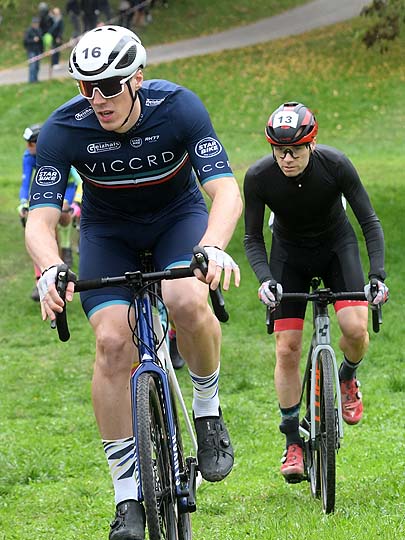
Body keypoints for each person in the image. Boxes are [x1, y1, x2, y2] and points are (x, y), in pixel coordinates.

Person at [25, 25, 242, 540]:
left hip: (177, 220)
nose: (97, 99)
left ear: (137, 79)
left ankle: (207, 410)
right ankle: (127, 499)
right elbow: (40, 220)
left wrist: (213, 245)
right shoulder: (64, 127)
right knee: (110, 343)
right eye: (86, 87)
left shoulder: (179, 108)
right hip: (108, 233)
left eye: (109, 86)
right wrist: (50, 265)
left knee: (185, 298)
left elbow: (226, 191)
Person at [243, 101, 388, 483]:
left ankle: (346, 376)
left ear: (312, 144)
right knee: (287, 348)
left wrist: (377, 275)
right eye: (279, 150)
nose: (286, 158)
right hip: (289, 255)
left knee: (355, 329)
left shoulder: (335, 165)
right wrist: (265, 279)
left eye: (294, 150)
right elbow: (252, 237)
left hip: (336, 248)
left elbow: (369, 221)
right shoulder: (259, 177)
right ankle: (293, 439)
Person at [19, 123, 81, 300]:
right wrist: (23, 203)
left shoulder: (58, 151)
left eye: (30, 143)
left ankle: (66, 247)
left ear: (39, 143)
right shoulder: (28, 156)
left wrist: (76, 203)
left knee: (64, 215)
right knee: (37, 227)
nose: (27, 147)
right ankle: (40, 278)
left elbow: (80, 181)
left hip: (68, 187)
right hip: (48, 189)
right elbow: (25, 183)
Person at [23, 17, 43, 83]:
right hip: (31, 50)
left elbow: (41, 41)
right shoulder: (29, 31)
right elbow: (25, 41)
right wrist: (33, 40)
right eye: (35, 23)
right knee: (32, 66)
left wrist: (42, 50)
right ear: (32, 24)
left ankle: (36, 79)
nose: (36, 24)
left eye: (37, 23)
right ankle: (31, 80)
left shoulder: (39, 30)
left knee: (37, 66)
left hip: (38, 50)